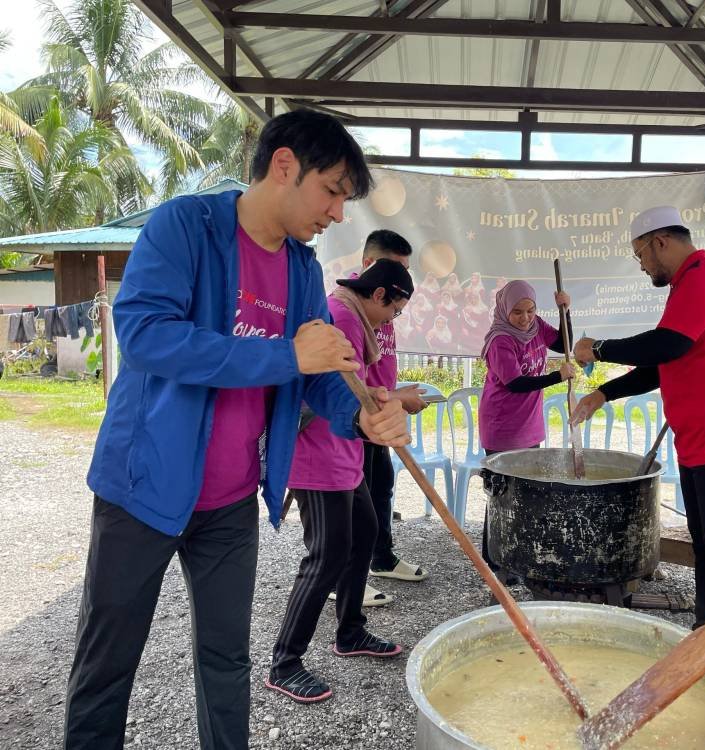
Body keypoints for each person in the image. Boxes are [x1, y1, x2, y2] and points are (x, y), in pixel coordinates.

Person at [66, 110, 410, 749]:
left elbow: (315, 376)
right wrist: (285, 356)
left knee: (227, 660)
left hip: (229, 504)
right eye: (332, 190)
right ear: (284, 165)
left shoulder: (302, 270)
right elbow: (145, 334)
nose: (339, 213)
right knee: (108, 662)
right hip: (141, 489)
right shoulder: (185, 227)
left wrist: (360, 414)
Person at [571, 206, 705, 713]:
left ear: (661, 241)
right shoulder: (687, 290)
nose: (643, 266)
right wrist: (603, 394)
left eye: (642, 254)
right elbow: (668, 361)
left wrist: (596, 347)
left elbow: (667, 344)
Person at [267, 259, 414, 704]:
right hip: (318, 456)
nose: (393, 319)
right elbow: (329, 390)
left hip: (344, 452)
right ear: (380, 294)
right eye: (396, 309)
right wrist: (395, 401)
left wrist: (386, 400)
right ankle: (285, 662)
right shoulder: (343, 315)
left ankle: (350, 632)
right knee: (325, 558)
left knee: (365, 533)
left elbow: (360, 388)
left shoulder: (356, 318)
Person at [479, 280, 573, 568]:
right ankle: (492, 559)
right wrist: (557, 377)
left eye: (530, 311)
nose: (525, 318)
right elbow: (516, 383)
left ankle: (518, 558)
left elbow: (562, 342)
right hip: (502, 426)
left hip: (530, 423)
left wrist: (564, 311)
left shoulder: (537, 327)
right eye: (517, 312)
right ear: (505, 309)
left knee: (528, 492)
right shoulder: (500, 340)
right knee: (501, 494)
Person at [356, 231, 431, 587]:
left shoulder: (384, 305)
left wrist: (397, 397)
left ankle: (380, 557)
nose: (403, 283)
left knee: (381, 484)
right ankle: (344, 577)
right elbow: (347, 384)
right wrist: (396, 397)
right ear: (371, 266)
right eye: (396, 270)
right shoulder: (352, 307)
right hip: (358, 419)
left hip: (382, 412)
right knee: (355, 499)